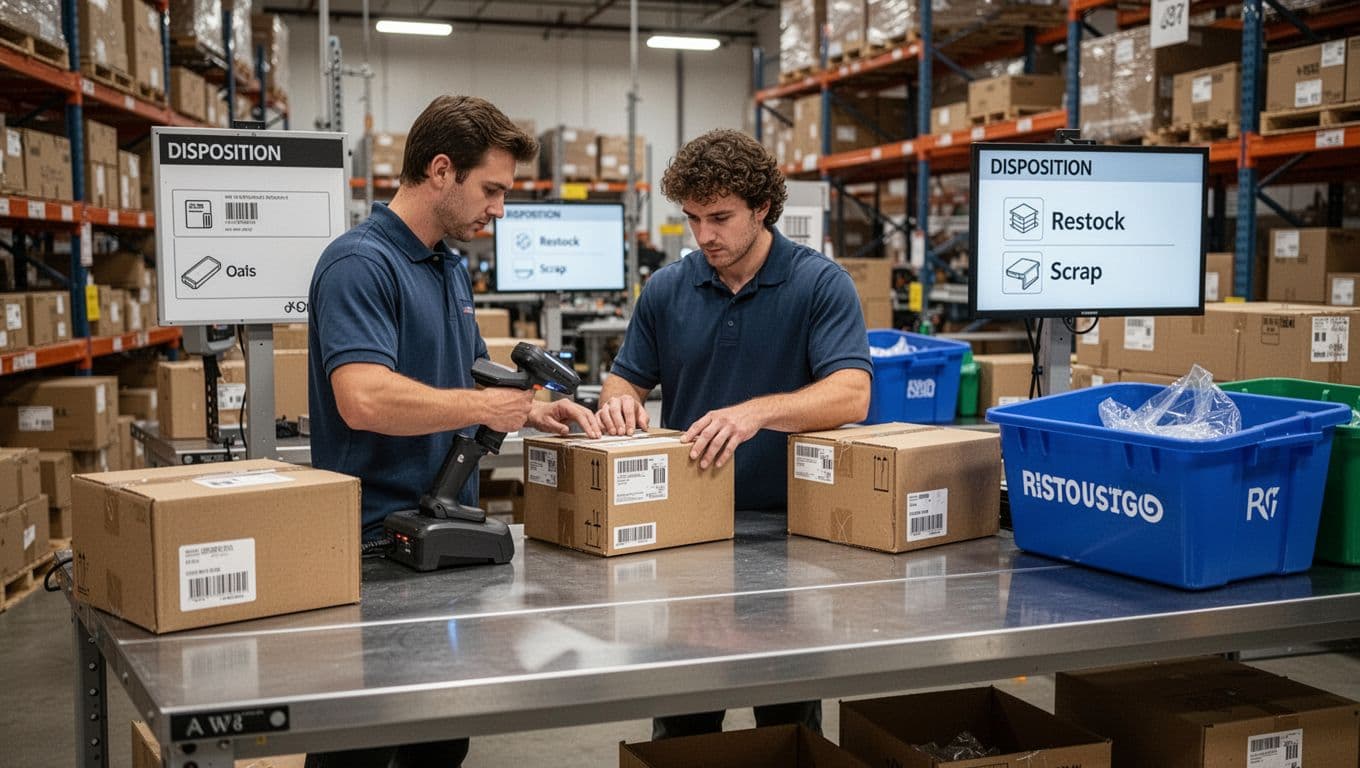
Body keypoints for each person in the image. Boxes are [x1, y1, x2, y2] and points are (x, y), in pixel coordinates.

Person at [306, 95, 601, 768]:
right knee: (357, 746)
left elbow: (470, 377)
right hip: (375, 546)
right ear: (440, 170)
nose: (499, 208)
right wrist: (479, 406)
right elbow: (363, 399)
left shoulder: (448, 264)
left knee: (440, 740)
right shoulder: (360, 263)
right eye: (491, 189)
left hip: (446, 534)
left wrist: (529, 411)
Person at [596, 128, 873, 738]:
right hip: (687, 538)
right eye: (693, 219)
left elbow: (852, 392)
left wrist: (754, 413)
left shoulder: (820, 285)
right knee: (684, 726)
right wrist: (617, 404)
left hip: (790, 539)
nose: (704, 237)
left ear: (762, 207)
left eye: (719, 218)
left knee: (788, 725)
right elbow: (624, 380)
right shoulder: (669, 288)